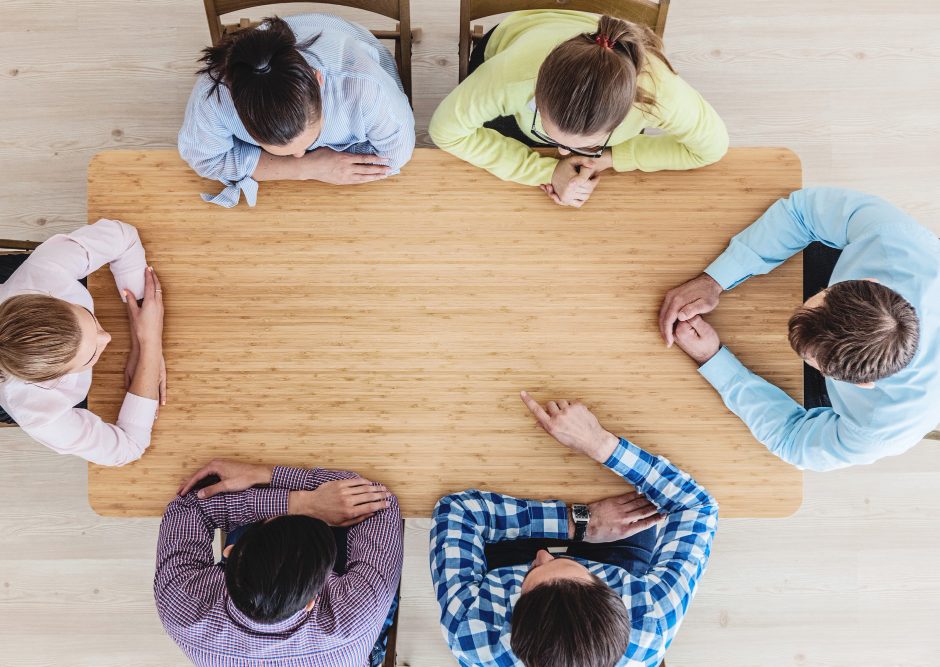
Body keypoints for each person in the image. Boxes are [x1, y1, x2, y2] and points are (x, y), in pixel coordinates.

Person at [659, 187, 940, 471]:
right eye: (816, 300)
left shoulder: (883, 429)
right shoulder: (895, 238)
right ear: (869, 281)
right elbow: (801, 212)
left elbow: (793, 441)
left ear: (861, 384)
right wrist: (715, 279)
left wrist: (713, 360)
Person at [430, 391, 718, 667]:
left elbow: (458, 511)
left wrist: (579, 522)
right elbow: (696, 508)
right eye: (575, 568)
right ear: (610, 592)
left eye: (530, 578)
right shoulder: (650, 620)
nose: (543, 554)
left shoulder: (472, 634)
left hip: (509, 551)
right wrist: (600, 443)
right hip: (615, 551)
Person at [429, 11, 728, 208]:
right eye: (547, 130)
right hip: (519, 33)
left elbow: (711, 149)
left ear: (625, 116)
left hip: (605, 45)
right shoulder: (510, 79)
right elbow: (445, 132)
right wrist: (545, 172)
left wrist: (608, 159)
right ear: (537, 96)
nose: (563, 153)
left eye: (590, 144)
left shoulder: (660, 93)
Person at [0, 220, 165, 466]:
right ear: (52, 380)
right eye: (92, 354)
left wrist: (141, 341)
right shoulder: (39, 411)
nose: (109, 337)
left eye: (89, 317)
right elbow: (127, 449)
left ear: (52, 298)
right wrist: (149, 345)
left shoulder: (45, 271)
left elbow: (123, 236)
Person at [154, 458, 403, 667]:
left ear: (231, 552)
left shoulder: (182, 605)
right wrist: (267, 476)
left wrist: (301, 504)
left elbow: (191, 503)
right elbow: (379, 502)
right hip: (351, 636)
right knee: (357, 506)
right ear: (312, 602)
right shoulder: (356, 615)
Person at [179, 14, 416, 208]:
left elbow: (393, 157)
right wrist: (309, 167)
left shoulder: (366, 88)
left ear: (318, 81)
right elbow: (205, 159)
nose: (301, 154)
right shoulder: (213, 97)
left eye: (307, 143)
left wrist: (261, 161)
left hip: (347, 43)